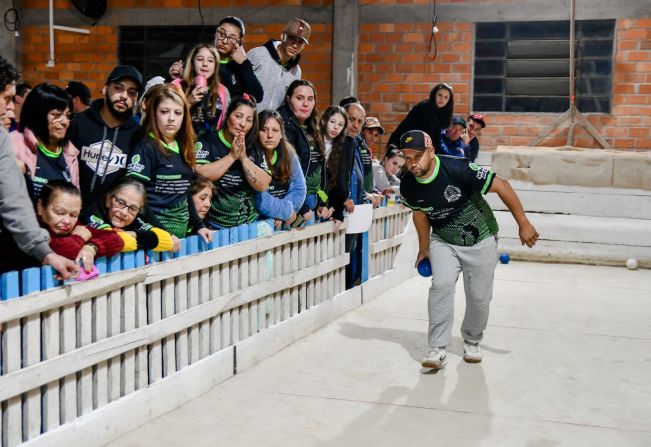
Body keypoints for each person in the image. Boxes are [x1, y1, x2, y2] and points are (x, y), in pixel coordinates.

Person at [398, 130, 539, 369]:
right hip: (443, 240)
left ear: (431, 152)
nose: (412, 162)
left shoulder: (458, 168)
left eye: (418, 155)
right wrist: (424, 248)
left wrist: (523, 222)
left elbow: (501, 185)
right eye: (407, 156)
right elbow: (420, 214)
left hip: (481, 239)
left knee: (479, 297)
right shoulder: (408, 185)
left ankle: (472, 340)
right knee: (440, 286)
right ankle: (437, 348)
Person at [0, 56, 78, 278]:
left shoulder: (1, 140)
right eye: (6, 99)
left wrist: (44, 252)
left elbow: (14, 201)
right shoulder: (15, 143)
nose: (11, 111)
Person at [126, 85, 195, 238]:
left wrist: (199, 225)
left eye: (178, 113)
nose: (171, 118)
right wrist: (163, 234)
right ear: (154, 113)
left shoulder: (184, 145)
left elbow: (185, 191)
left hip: (181, 236)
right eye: (164, 112)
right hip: (156, 236)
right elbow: (135, 199)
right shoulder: (146, 147)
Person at [69, 65, 143, 207]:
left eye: (132, 92)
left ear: (136, 99)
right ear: (105, 88)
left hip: (112, 218)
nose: (124, 96)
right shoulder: (77, 123)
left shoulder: (138, 135)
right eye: (118, 88)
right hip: (72, 213)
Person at [195, 95, 271, 228]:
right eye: (238, 116)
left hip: (249, 224)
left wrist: (244, 158)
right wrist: (231, 157)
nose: (243, 124)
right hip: (213, 225)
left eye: (249, 120)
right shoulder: (207, 141)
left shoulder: (254, 147)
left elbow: (263, 185)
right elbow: (200, 174)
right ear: (227, 115)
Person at [35, 181, 123, 273]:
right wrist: (79, 238)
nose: (67, 221)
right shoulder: (30, 230)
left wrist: (91, 247)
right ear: (40, 207)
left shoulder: (76, 227)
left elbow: (116, 239)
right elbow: (55, 251)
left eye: (74, 215)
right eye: (60, 213)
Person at [170, 16, 263, 103]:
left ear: (239, 42)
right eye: (222, 34)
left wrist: (244, 64)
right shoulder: (200, 59)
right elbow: (172, 94)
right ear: (215, 34)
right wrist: (173, 78)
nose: (225, 41)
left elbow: (257, 96)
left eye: (231, 38)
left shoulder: (241, 65)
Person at [11, 83, 79, 200]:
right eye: (57, 115)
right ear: (38, 115)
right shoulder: (13, 145)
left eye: (68, 116)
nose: (65, 122)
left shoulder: (70, 153)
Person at [277, 79, 330, 221]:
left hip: (314, 202)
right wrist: (301, 207)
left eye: (310, 99)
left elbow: (321, 170)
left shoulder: (314, 127)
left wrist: (324, 201)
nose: (305, 104)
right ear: (288, 99)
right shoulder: (283, 127)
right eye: (299, 98)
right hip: (296, 205)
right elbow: (284, 171)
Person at [83, 177, 181, 252]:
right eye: (120, 203)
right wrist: (145, 239)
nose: (124, 212)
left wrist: (132, 234)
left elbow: (166, 240)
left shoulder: (135, 219)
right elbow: (115, 239)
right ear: (108, 199)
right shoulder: (92, 214)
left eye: (133, 208)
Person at [254, 110, 306, 228]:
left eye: (275, 130)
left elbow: (299, 188)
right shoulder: (252, 156)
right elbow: (258, 197)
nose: (270, 135)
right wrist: (285, 212)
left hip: (282, 221)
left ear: (281, 133)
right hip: (259, 223)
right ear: (256, 132)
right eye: (264, 130)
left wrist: (282, 214)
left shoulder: (289, 153)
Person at [248, 18, 310, 112]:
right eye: (291, 38)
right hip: (246, 121)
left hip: (272, 125)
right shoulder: (258, 54)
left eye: (300, 42)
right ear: (283, 36)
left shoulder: (296, 72)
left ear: (303, 46)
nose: (295, 45)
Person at [174, 44, 230, 137]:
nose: (205, 64)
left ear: (215, 65)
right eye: (200, 59)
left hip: (211, 147)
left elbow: (224, 124)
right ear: (192, 62)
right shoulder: (177, 85)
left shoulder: (222, 90)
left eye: (210, 60)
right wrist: (189, 102)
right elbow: (169, 119)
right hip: (183, 143)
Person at [386, 83, 454, 152]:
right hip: (400, 145)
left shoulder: (440, 112)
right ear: (434, 95)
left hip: (413, 145)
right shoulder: (426, 108)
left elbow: (436, 139)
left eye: (446, 97)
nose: (442, 99)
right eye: (440, 95)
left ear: (449, 100)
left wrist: (440, 156)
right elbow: (428, 137)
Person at [343, 102, 382, 205]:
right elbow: (321, 186)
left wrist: (366, 195)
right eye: (351, 119)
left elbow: (358, 182)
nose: (355, 125)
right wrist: (332, 201)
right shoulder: (331, 146)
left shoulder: (357, 147)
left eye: (360, 122)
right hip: (333, 214)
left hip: (355, 212)